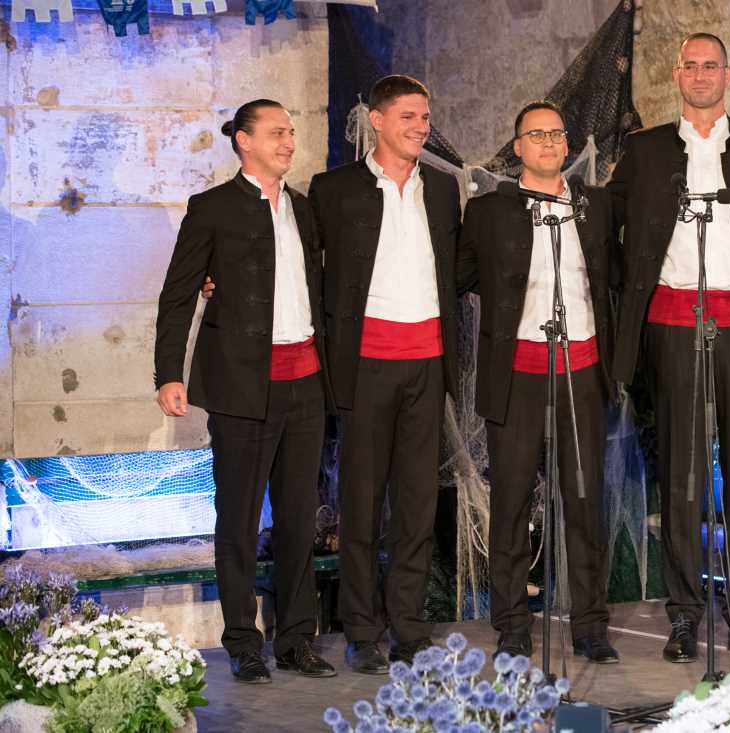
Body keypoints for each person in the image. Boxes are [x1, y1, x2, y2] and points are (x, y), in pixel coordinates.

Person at [608, 32, 730, 663]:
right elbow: (607, 226)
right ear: (677, 75)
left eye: (710, 66)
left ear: (728, 74)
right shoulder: (643, 151)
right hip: (673, 327)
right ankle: (684, 615)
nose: (700, 75)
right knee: (682, 480)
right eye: (690, 66)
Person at [154, 99, 335, 683]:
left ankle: (297, 639)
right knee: (237, 520)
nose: (288, 141)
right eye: (276, 132)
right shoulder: (212, 208)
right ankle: (242, 642)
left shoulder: (302, 208)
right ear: (244, 141)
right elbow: (178, 294)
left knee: (299, 519)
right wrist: (168, 373)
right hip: (241, 387)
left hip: (305, 382)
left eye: (291, 131)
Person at [308, 75, 462, 673]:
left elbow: (457, 268)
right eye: (408, 117)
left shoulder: (443, 189)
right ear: (376, 119)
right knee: (362, 505)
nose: (421, 127)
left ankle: (409, 628)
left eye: (425, 117)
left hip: (427, 364)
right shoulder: (334, 190)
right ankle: (361, 630)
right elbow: (298, 261)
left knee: (417, 506)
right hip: (366, 366)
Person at [456, 101, 620, 664]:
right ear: (518, 146)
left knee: (584, 500)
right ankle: (512, 624)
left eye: (557, 134)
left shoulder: (596, 207)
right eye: (537, 134)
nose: (549, 143)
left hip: (583, 369)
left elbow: (619, 279)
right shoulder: (489, 212)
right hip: (517, 372)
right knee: (511, 501)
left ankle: (591, 625)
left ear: (567, 144)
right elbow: (455, 275)